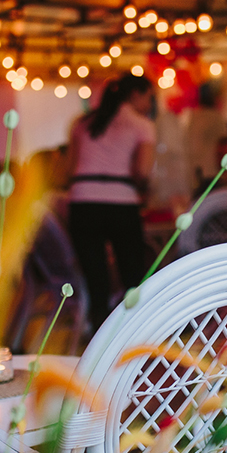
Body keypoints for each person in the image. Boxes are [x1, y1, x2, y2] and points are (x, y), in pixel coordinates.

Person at [67, 74, 155, 327]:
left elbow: (68, 168)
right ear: (135, 95)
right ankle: (135, 330)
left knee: (95, 276)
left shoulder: (82, 123)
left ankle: (98, 332)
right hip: (121, 202)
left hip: (82, 200)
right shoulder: (142, 125)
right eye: (149, 98)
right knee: (132, 275)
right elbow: (143, 171)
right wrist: (142, 188)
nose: (149, 105)